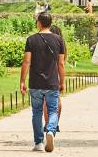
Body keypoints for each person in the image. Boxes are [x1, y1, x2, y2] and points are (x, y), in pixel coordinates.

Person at [20, 12, 65, 152]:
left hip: (35, 82)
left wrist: (22, 81)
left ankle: (39, 142)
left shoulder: (31, 40)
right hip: (52, 82)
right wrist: (62, 81)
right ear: (50, 23)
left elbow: (27, 62)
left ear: (38, 22)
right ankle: (51, 131)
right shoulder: (59, 40)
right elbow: (61, 63)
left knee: (37, 112)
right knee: (52, 110)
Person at [43, 25, 66, 133]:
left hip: (47, 73)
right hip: (56, 74)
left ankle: (48, 124)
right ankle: (55, 124)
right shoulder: (62, 45)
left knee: (46, 100)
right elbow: (62, 63)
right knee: (57, 99)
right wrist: (62, 80)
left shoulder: (47, 43)